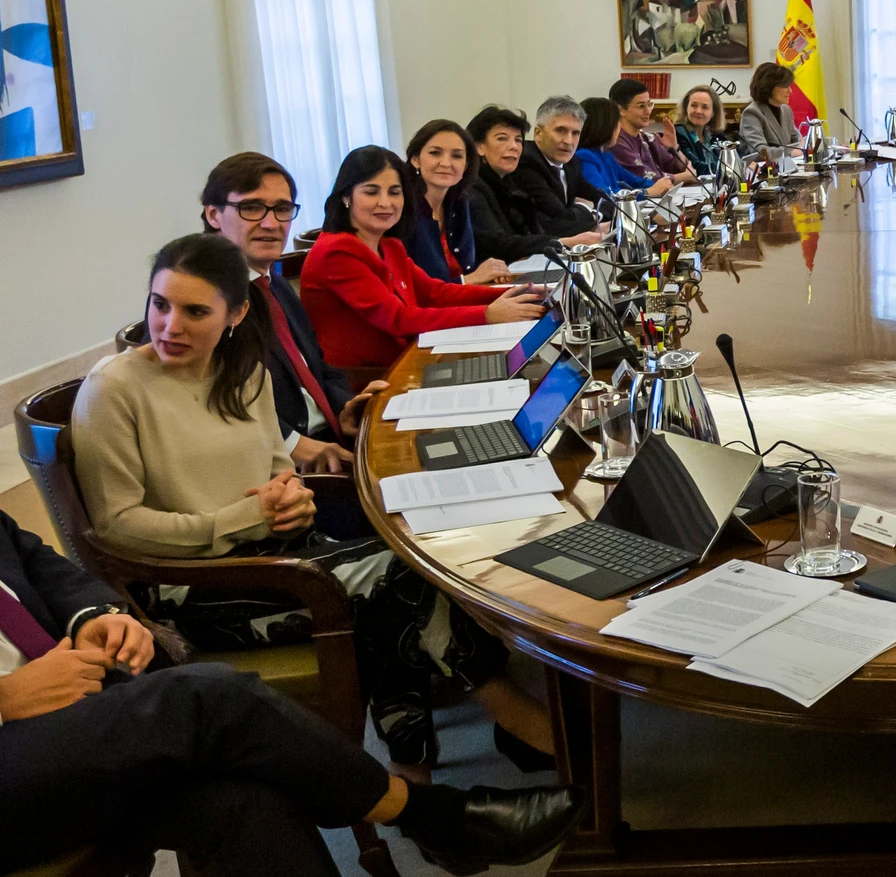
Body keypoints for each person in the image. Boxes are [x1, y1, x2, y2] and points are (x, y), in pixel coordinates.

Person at [72, 234, 564, 779]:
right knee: (405, 581)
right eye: (159, 305)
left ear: (236, 313)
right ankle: (512, 723)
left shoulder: (244, 370)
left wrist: (294, 501)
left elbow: (274, 470)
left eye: (194, 311)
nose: (170, 326)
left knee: (411, 573)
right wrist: (241, 519)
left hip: (277, 552)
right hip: (192, 584)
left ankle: (413, 774)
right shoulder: (113, 388)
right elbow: (116, 528)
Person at [0, 508, 582, 877]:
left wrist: (89, 615)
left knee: (242, 801)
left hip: (69, 708)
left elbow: (30, 555)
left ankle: (442, 818)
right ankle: (433, 815)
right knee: (205, 698)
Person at [200, 153, 378, 476]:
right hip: (280, 471)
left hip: (333, 440)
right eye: (252, 208)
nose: (271, 224)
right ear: (213, 214)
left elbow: (320, 366)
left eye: (282, 209)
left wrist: (344, 409)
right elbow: (206, 398)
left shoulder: (273, 283)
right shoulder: (201, 295)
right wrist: (292, 443)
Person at [302, 146, 544, 369]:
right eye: (371, 192)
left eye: (394, 192)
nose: (385, 203)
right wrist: (487, 314)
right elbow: (397, 318)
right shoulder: (337, 252)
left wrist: (521, 293)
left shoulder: (389, 245)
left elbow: (436, 293)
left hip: (407, 358)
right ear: (346, 197)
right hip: (366, 379)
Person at [466, 105, 603, 264]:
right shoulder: (472, 187)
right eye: (502, 138)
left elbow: (531, 231)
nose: (514, 146)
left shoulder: (506, 183)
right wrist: (564, 243)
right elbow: (499, 243)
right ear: (478, 146)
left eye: (518, 140)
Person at [402, 119, 512, 286]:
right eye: (435, 153)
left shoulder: (459, 202)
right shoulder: (404, 210)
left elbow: (467, 267)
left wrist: (490, 272)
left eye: (457, 156)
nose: (446, 163)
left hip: (461, 301)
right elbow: (414, 287)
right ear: (415, 159)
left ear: (466, 164)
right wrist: (466, 280)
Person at [573, 95, 675, 199]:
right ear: (606, 127)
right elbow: (603, 195)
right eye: (618, 123)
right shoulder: (584, 157)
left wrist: (658, 185)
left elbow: (633, 180)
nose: (619, 128)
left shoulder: (606, 155)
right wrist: (647, 192)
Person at [520, 96, 608, 216]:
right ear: (538, 133)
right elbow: (559, 220)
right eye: (560, 130)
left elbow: (606, 204)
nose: (569, 141)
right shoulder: (527, 162)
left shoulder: (572, 163)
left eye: (576, 133)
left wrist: (594, 213)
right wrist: (586, 208)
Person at [606, 76, 695, 185]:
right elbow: (646, 179)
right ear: (620, 110)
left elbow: (683, 169)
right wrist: (685, 177)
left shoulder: (648, 138)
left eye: (649, 104)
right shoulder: (616, 142)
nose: (648, 111)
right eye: (641, 106)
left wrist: (674, 148)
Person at [739, 61, 800, 156]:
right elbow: (759, 151)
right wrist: (790, 152)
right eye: (785, 86)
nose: (790, 91)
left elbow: (797, 141)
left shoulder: (786, 110)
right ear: (769, 86)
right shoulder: (752, 113)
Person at [669, 84, 726, 176]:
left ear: (713, 113)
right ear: (686, 108)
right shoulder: (678, 133)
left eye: (705, 107)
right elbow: (696, 168)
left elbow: (730, 159)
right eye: (694, 105)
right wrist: (727, 169)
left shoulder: (716, 134)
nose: (698, 111)